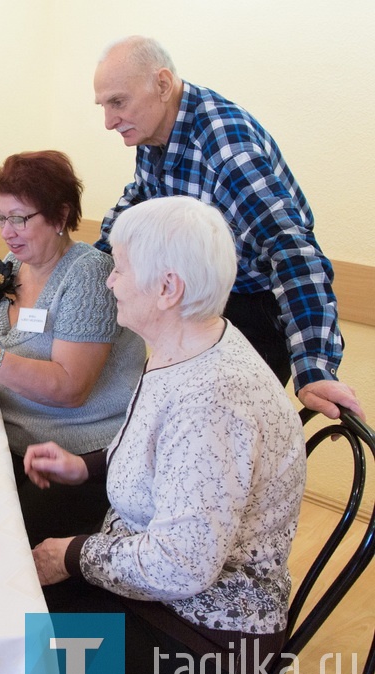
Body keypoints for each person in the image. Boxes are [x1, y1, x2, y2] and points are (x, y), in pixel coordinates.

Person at [27, 196, 306, 674]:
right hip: (159, 588)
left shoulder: (213, 399)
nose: (109, 281)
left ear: (167, 288)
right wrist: (86, 465)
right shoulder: (190, 343)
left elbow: (182, 566)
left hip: (204, 637)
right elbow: (166, 456)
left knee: (27, 660)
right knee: (16, 596)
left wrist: (70, 554)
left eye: (121, 268)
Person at [93, 35, 365, 422]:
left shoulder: (225, 148)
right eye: (103, 106)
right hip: (204, 297)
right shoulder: (153, 131)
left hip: (256, 303)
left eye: (118, 102)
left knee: (217, 429)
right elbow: (140, 196)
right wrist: (90, 260)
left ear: (163, 84)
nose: (108, 121)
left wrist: (315, 369)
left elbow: (292, 250)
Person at [0, 151, 146, 546]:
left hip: (73, 457)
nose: (6, 231)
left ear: (60, 215)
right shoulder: (11, 266)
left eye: (19, 218)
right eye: (0, 216)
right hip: (5, 439)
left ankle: (63, 607)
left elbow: (71, 389)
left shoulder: (88, 274)